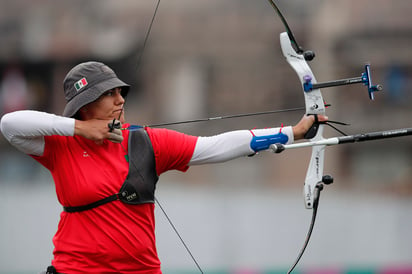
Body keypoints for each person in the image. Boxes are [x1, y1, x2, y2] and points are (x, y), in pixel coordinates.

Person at [0, 61, 327, 274]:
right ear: (83, 107)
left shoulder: (145, 142)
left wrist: (292, 132)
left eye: (120, 93)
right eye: (108, 94)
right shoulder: (61, 146)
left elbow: (214, 146)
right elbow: (10, 124)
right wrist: (81, 130)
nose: (120, 100)